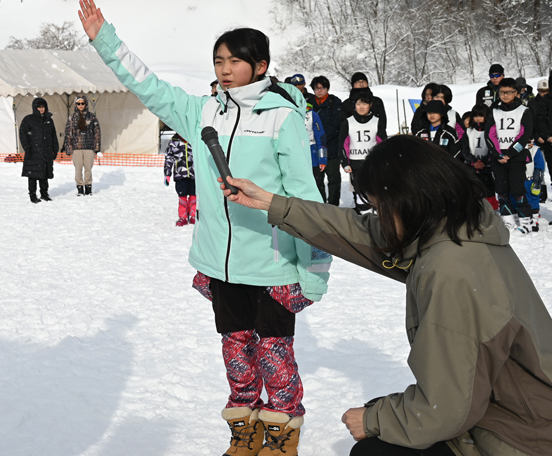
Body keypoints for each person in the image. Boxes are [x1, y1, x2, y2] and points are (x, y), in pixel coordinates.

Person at [78, 0, 331, 456]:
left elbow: (306, 198)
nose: (225, 68)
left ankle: (282, 433)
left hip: (272, 266)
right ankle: (245, 430)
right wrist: (105, 40)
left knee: (275, 357)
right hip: (223, 265)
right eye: (219, 60)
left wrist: (314, 271)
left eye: (235, 60)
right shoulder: (203, 112)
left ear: (261, 65)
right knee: (236, 353)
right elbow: (149, 86)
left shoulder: (282, 117)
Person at [221, 135, 552, 456]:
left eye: (380, 207)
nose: (376, 217)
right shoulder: (458, 228)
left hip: (519, 437)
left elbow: (446, 409)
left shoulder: (451, 272)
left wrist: (373, 418)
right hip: (508, 415)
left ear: (408, 199)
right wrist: (272, 204)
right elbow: (360, 231)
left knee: (374, 450)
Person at [486, 78, 534, 228]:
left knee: (517, 188)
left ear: (516, 92)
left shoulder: (524, 111)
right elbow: (490, 134)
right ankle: (507, 219)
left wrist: (511, 153)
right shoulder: (494, 111)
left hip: (517, 156)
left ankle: (526, 220)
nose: (505, 95)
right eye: (502, 92)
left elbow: (524, 135)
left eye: (509, 92)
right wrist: (498, 154)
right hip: (499, 157)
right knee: (501, 189)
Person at [338, 89, 387, 212]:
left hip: (372, 163)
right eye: (358, 103)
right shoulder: (348, 122)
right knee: (359, 192)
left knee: (374, 190)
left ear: (370, 105)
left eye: (364, 103)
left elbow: (383, 144)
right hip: (355, 163)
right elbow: (343, 144)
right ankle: (363, 217)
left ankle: (376, 217)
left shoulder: (376, 122)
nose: (361, 107)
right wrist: (344, 162)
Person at [310, 76, 343, 205]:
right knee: (318, 180)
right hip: (315, 147)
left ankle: (334, 204)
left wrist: (322, 136)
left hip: (332, 146)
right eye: (316, 88)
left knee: (334, 178)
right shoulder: (308, 102)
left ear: (327, 88)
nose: (319, 91)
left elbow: (336, 123)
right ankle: (321, 204)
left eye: (322, 87)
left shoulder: (335, 102)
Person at [20, 97, 60, 203]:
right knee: (32, 175)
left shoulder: (49, 120)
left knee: (44, 174)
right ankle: (32, 195)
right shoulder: (28, 120)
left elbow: (53, 136)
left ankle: (44, 193)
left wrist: (55, 149)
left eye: (43, 107)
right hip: (33, 152)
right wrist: (27, 148)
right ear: (35, 108)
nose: (41, 109)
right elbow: (22, 134)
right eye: (39, 107)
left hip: (46, 152)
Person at [460, 105, 498, 210]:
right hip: (472, 167)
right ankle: (475, 210)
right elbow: (465, 149)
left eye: (481, 116)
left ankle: (492, 210)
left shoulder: (492, 130)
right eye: (475, 116)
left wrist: (484, 162)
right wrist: (473, 161)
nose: (478, 119)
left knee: (489, 190)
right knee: (473, 190)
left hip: (487, 167)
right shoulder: (468, 131)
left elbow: (493, 148)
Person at [62, 95, 101, 196]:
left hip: (89, 147)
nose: (80, 105)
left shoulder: (92, 117)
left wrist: (97, 148)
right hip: (77, 148)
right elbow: (68, 133)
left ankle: (88, 188)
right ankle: (80, 188)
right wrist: (68, 148)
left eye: (82, 103)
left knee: (88, 168)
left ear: (86, 104)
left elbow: (97, 133)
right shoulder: (72, 118)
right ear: (75, 104)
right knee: (78, 169)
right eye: (78, 103)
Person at [338, 72, 387, 138]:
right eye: (358, 81)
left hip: (375, 137)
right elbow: (343, 124)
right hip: (353, 139)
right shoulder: (347, 104)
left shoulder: (377, 101)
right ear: (353, 84)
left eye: (363, 81)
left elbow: (382, 120)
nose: (361, 83)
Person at [164, 132, 197, 226]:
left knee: (193, 195)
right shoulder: (174, 142)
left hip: (194, 174)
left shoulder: (193, 140)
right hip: (180, 174)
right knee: (182, 196)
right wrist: (167, 174)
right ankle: (183, 217)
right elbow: (169, 158)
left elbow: (201, 156)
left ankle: (193, 216)